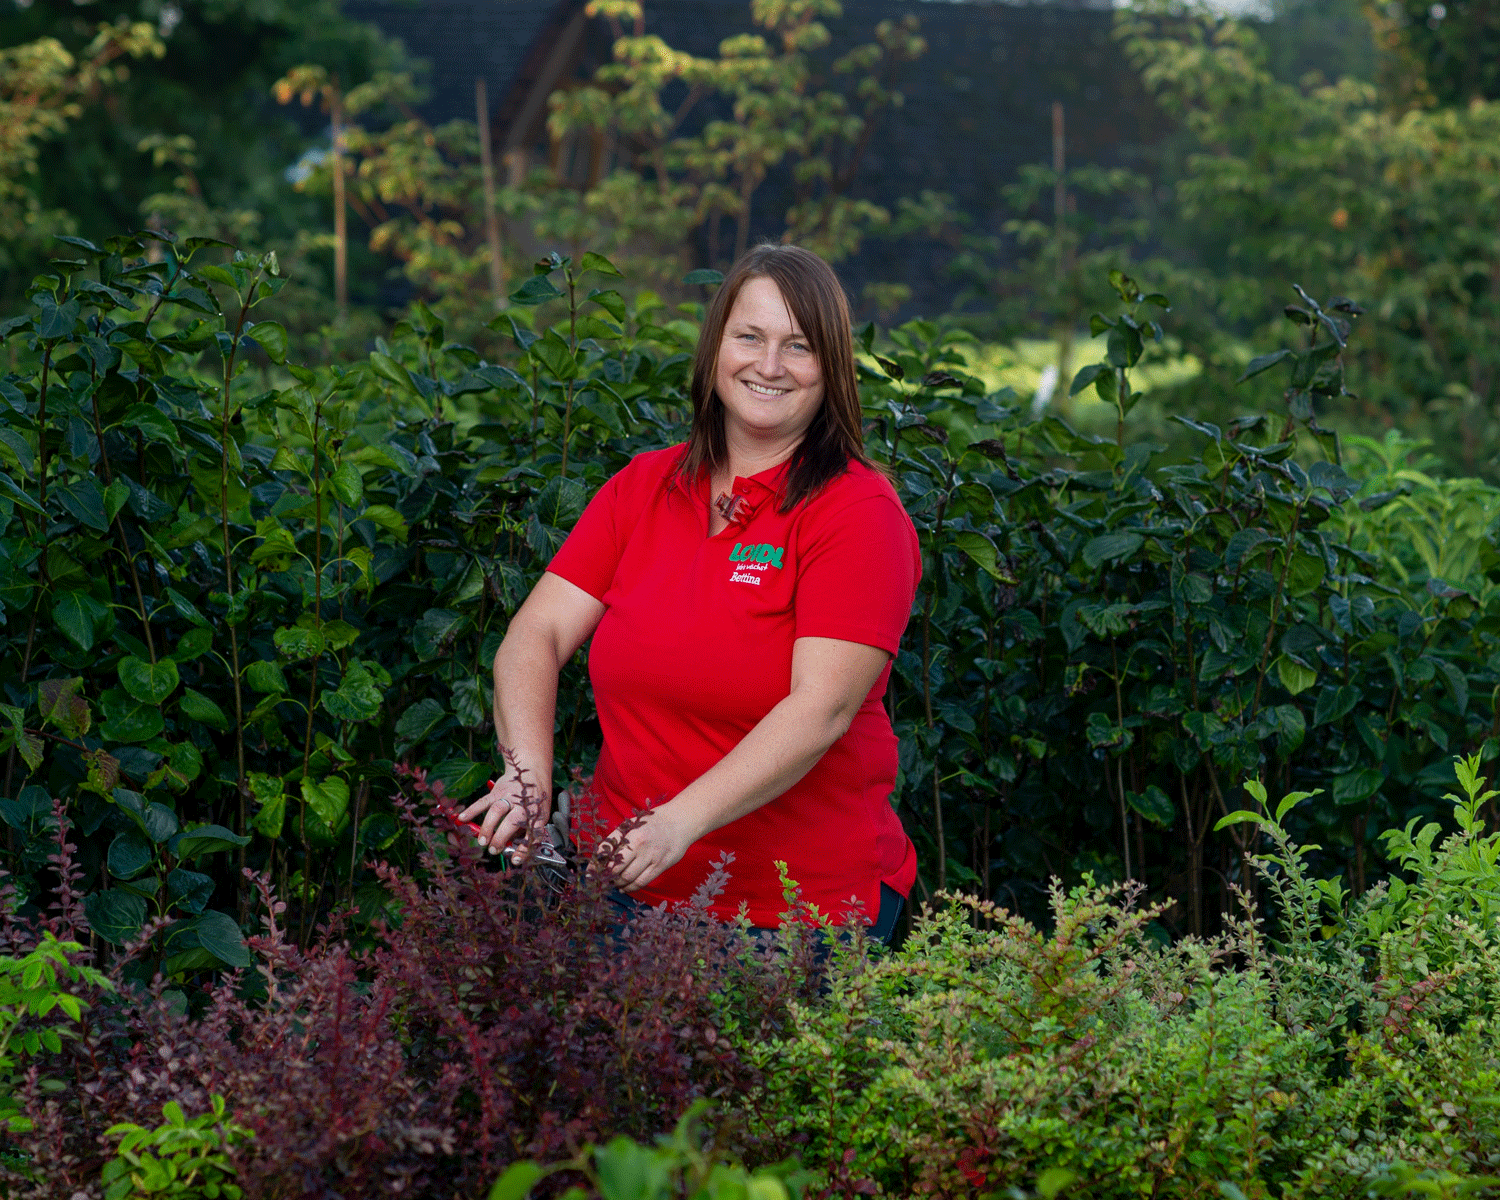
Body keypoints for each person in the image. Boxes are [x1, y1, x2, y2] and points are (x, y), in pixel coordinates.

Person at [458, 243, 921, 945]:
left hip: (795, 915)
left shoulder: (857, 514)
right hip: (620, 889)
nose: (769, 365)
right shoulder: (645, 486)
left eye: (798, 346)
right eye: (750, 337)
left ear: (831, 369)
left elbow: (820, 709)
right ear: (714, 352)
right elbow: (536, 636)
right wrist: (528, 776)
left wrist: (678, 819)